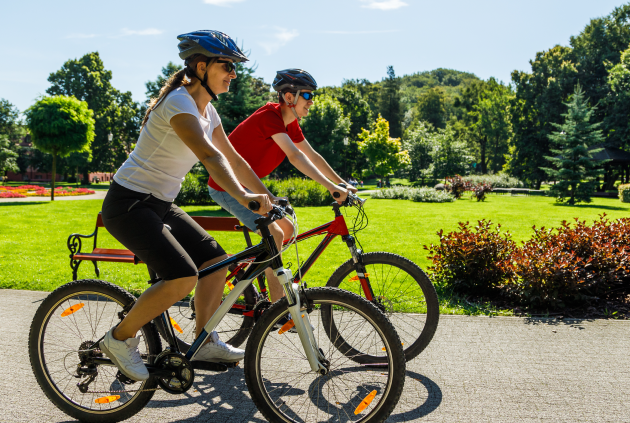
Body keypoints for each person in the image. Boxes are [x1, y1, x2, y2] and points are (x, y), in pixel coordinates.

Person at [99, 30, 274, 382]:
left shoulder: (208, 111)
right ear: (201, 66)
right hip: (129, 203)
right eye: (227, 66)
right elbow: (209, 156)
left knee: (214, 262)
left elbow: (234, 159)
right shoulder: (179, 103)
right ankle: (118, 339)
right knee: (182, 277)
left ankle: (204, 339)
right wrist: (243, 197)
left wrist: (267, 196)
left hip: (159, 203)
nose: (233, 74)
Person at [207, 69, 356, 304]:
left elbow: (312, 156)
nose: (311, 101)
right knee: (276, 233)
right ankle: (277, 308)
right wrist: (331, 188)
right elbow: (295, 157)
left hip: (246, 185)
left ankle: (266, 273)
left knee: (286, 231)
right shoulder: (270, 117)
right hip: (226, 186)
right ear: (289, 97)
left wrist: (340, 183)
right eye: (307, 96)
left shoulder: (290, 123)